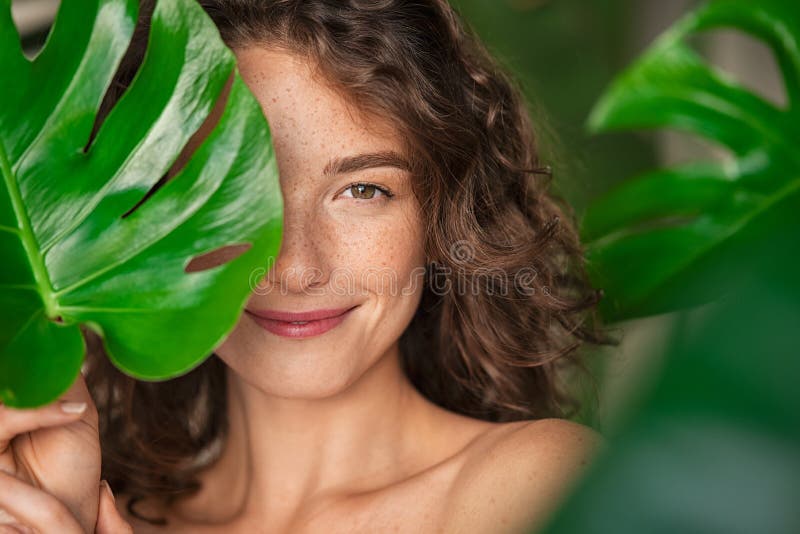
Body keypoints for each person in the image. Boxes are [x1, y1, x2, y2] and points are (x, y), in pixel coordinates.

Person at [0, 0, 615, 532]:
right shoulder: (82, 517)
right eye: (234, 197)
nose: (295, 268)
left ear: (440, 215)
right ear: (148, 219)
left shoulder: (537, 486)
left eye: (363, 191)